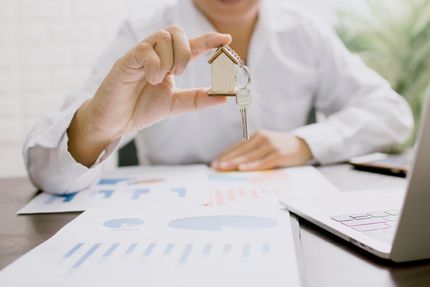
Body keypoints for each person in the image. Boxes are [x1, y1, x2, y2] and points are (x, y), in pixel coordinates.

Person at [24, 0, 413, 194]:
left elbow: (393, 113)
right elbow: (47, 172)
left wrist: (306, 141)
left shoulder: (306, 31)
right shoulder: (141, 34)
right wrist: (98, 126)